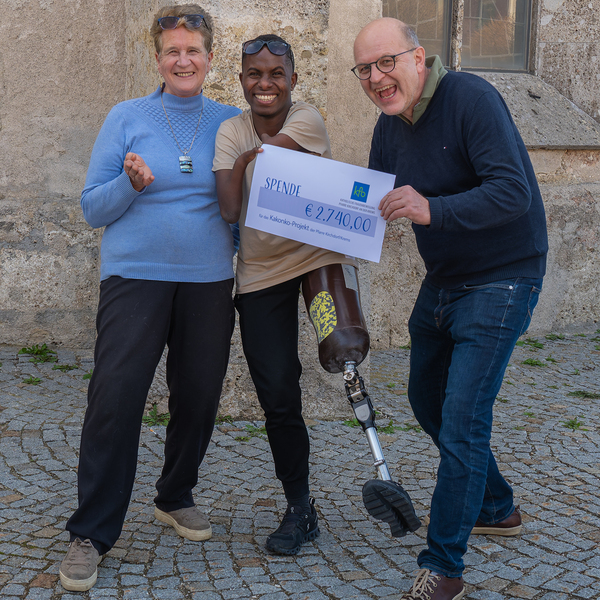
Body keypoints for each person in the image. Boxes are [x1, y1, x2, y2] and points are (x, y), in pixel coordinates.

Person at [352, 18, 548, 600]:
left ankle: (443, 567)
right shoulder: (389, 126)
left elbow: (514, 192)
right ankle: (497, 505)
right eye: (364, 69)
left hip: (504, 276)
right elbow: (369, 197)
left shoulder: (471, 98)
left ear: (418, 57)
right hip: (446, 280)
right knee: (425, 398)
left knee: (463, 418)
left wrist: (430, 209)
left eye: (386, 62)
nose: (376, 78)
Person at [59, 5, 240, 592]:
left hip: (209, 278)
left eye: (193, 50)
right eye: (171, 52)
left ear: (210, 58)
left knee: (198, 393)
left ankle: (174, 495)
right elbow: (93, 208)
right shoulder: (126, 116)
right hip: (135, 274)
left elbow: (247, 209)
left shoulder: (234, 123)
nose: (182, 60)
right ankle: (90, 531)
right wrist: (129, 185)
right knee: (115, 394)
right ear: (157, 59)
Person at [213, 34, 357, 555]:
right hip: (261, 271)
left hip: (316, 258)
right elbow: (230, 209)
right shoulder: (231, 128)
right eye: (255, 74)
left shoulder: (308, 118)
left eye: (276, 73)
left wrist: (248, 158)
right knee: (277, 390)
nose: (265, 83)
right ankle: (301, 507)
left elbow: (270, 165)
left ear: (293, 79)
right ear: (242, 81)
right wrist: (253, 157)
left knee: (346, 347)